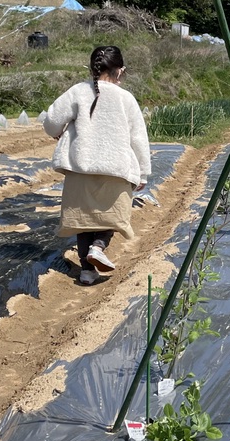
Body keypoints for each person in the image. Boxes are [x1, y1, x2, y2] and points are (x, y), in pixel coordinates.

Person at [44, 45, 151, 285]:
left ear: (92, 68)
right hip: (117, 169)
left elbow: (51, 121)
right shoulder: (126, 99)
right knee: (110, 216)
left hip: (80, 168)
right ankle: (99, 246)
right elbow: (138, 138)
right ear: (120, 71)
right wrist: (143, 171)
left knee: (84, 221)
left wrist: (57, 132)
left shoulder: (78, 91)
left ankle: (87, 271)